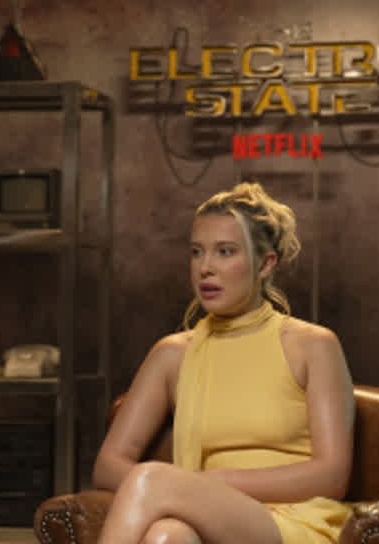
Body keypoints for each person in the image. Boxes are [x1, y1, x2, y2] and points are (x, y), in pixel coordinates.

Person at [92, 182, 355, 544]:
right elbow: (108, 466)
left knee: (151, 479)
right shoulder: (171, 354)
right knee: (165, 536)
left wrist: (205, 484)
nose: (205, 268)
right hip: (201, 515)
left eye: (225, 252)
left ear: (265, 263)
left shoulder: (313, 345)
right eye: (196, 252)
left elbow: (332, 476)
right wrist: (187, 489)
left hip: (294, 519)